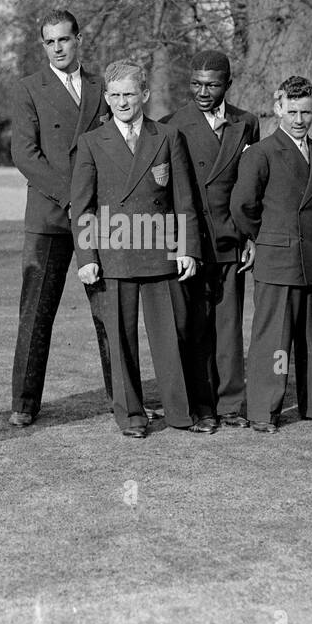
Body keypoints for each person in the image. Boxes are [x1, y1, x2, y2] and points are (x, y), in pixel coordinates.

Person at [72, 59, 205, 438]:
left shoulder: (166, 137)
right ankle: (131, 415)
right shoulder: (92, 143)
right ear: (107, 100)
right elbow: (81, 207)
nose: (122, 102)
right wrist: (86, 258)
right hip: (114, 256)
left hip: (160, 254)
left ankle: (180, 414)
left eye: (129, 94)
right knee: (120, 339)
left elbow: (184, 200)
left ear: (144, 94)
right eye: (114, 95)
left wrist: (187, 249)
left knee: (171, 339)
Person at [7, 9, 113, 428]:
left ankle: (121, 397)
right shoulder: (29, 89)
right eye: (49, 42)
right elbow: (24, 155)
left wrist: (87, 203)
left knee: (110, 309)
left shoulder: (102, 86)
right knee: (36, 312)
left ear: (79, 39)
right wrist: (72, 198)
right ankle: (24, 402)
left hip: (98, 217)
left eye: (64, 40)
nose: (57, 48)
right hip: (50, 215)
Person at [230, 76, 312, 433]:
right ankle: (264, 411)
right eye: (292, 111)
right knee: (274, 341)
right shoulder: (261, 153)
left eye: (306, 112)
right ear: (279, 108)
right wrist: (264, 238)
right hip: (277, 259)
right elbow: (242, 206)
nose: (299, 119)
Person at [162, 50, 260, 428]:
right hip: (191, 241)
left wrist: (250, 236)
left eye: (212, 85)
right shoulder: (171, 125)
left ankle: (231, 404)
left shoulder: (246, 123)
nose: (203, 92)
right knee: (195, 326)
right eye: (196, 84)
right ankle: (201, 405)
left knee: (229, 325)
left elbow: (250, 186)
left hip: (232, 240)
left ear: (228, 85)